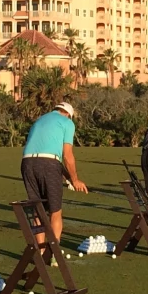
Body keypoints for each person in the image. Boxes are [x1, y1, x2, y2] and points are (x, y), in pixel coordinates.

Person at [20, 102, 88, 245]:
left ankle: (42, 250)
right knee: (55, 211)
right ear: (68, 115)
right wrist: (75, 180)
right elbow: (67, 156)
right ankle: (54, 254)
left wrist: (68, 177)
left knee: (38, 209)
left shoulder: (39, 120)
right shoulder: (67, 122)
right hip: (48, 165)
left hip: (27, 164)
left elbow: (47, 156)